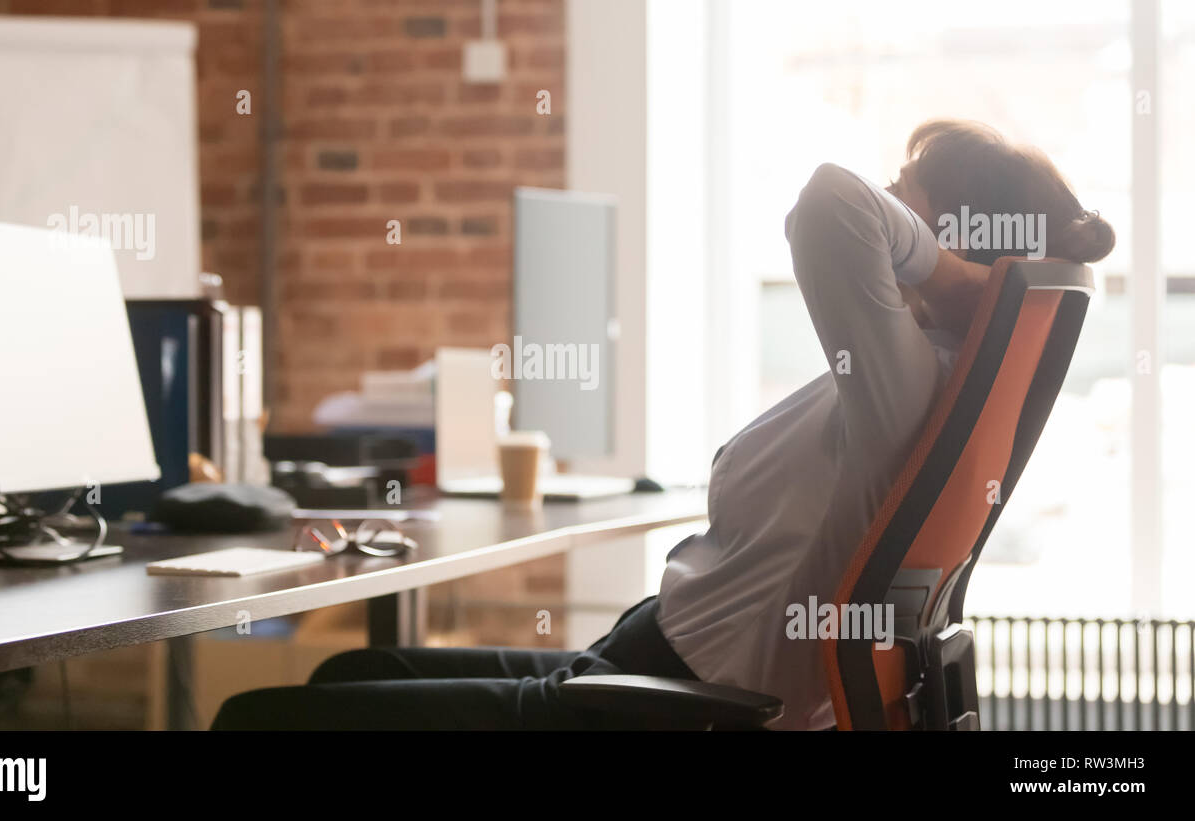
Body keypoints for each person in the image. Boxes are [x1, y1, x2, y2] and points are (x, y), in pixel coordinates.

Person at [212, 119, 1115, 731]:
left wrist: (952, 276)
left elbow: (831, 203)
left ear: (952, 236)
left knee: (263, 718)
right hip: (648, 657)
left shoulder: (909, 383)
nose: (884, 194)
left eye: (904, 189)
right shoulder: (920, 377)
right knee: (341, 680)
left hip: (669, 698)